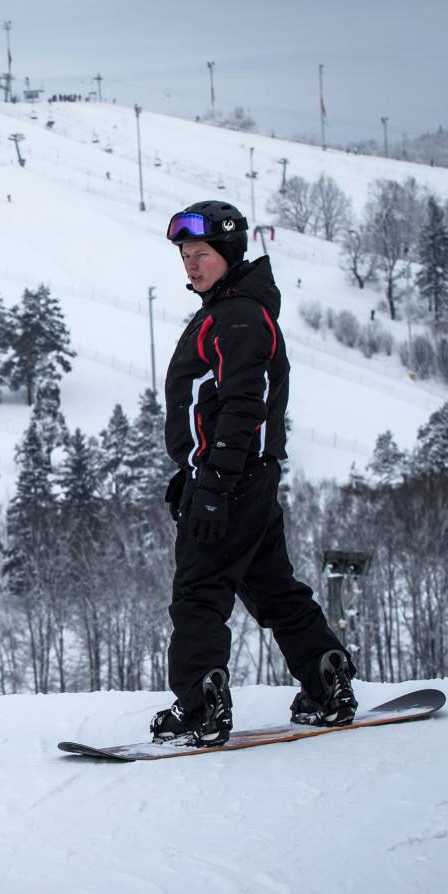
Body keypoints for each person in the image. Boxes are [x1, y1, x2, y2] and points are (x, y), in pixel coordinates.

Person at [153, 200, 357, 748]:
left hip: (232, 480)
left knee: (198, 593)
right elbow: (217, 405)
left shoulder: (237, 316)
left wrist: (214, 483)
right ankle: (326, 681)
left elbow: (246, 404)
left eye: (202, 255)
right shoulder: (231, 309)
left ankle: (200, 709)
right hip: (245, 477)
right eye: (186, 256)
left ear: (229, 253)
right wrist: (194, 467)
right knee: (271, 586)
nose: (191, 266)